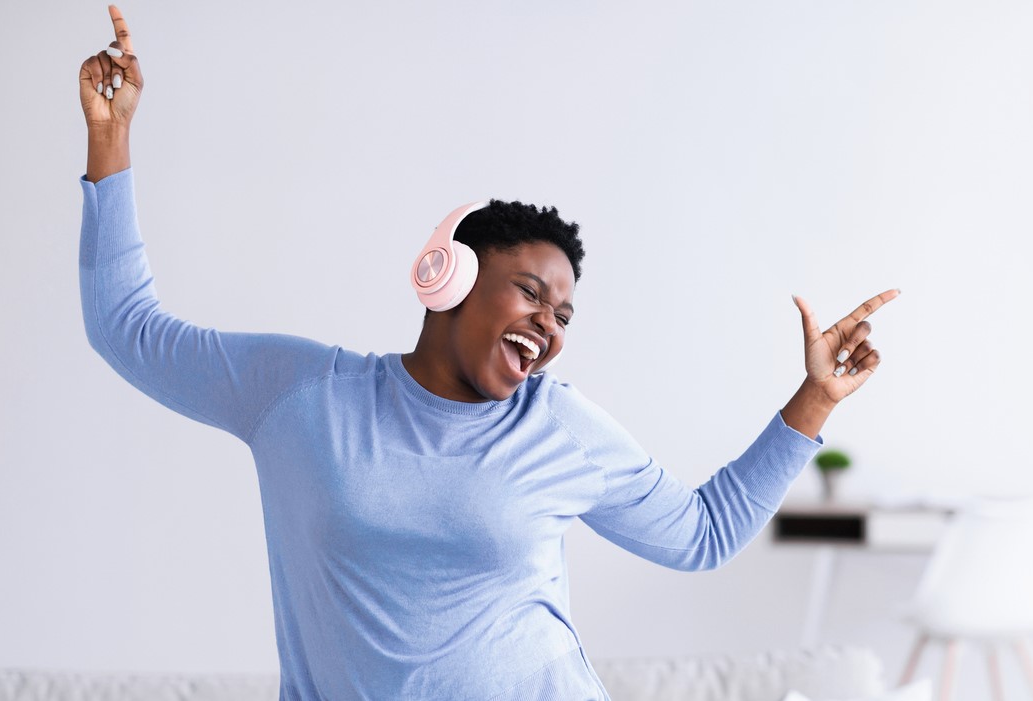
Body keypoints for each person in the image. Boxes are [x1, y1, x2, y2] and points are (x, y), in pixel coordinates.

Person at [78, 6, 898, 700]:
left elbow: (702, 533)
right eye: (531, 292)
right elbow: (128, 329)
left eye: (564, 313)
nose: (549, 325)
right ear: (447, 275)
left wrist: (815, 399)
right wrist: (110, 144)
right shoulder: (300, 393)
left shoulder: (559, 424)